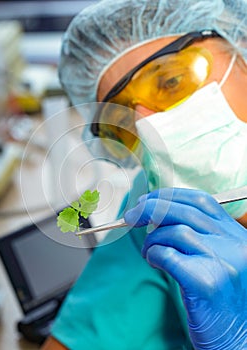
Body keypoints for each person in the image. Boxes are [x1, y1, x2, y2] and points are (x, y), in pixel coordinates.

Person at [41, 0, 247, 349]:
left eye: (170, 81)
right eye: (122, 122)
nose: (148, 128)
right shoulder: (164, 206)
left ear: (241, 49)